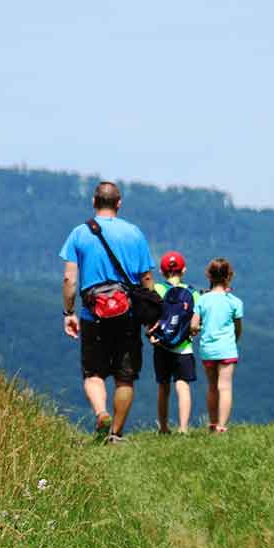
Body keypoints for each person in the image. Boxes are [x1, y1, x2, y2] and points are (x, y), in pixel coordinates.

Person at [60, 181, 155, 444]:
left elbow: (70, 280)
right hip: (128, 316)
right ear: (119, 203)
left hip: (93, 316)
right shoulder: (134, 233)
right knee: (125, 377)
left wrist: (69, 312)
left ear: (93, 202)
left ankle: (101, 412)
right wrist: (151, 314)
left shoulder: (79, 234)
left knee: (93, 374)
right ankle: (115, 433)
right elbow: (146, 278)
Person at [191, 257, 243, 434]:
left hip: (208, 350)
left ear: (208, 276)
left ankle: (212, 424)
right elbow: (238, 328)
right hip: (227, 348)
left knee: (212, 386)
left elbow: (193, 325)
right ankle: (222, 425)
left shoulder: (202, 300)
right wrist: (234, 340)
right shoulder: (235, 302)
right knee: (225, 386)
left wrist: (198, 328)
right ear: (229, 276)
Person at [150, 251, 198, 434]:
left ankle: (163, 427)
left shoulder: (157, 290)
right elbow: (195, 322)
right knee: (182, 385)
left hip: (161, 346)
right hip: (184, 347)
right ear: (183, 270)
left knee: (163, 386)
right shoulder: (192, 293)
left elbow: (152, 317)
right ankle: (183, 428)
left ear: (162, 272)